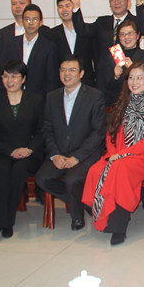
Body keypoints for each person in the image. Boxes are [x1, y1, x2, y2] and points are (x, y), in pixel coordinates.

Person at [82, 61, 144, 245]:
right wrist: (114, 153)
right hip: (119, 153)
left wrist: (123, 154)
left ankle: (118, 226)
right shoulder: (122, 102)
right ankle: (104, 215)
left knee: (119, 170)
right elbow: (111, 133)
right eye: (131, 78)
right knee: (95, 170)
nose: (134, 82)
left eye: (139, 78)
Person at [35, 55, 106, 231]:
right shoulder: (52, 97)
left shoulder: (94, 96)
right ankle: (82, 201)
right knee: (42, 179)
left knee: (72, 180)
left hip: (86, 154)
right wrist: (54, 155)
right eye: (63, 70)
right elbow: (47, 129)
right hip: (60, 152)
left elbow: (98, 132)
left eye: (72, 70)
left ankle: (77, 218)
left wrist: (77, 157)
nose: (67, 74)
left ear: (81, 73)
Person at [0, 60, 44, 245]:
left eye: (14, 76)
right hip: (5, 151)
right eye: (5, 76)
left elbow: (42, 131)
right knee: (1, 173)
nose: (9, 81)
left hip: (30, 152)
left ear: (23, 79)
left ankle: (7, 221)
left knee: (19, 171)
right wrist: (11, 151)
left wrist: (29, 149)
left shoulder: (35, 100)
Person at [70, 0, 144, 95]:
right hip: (104, 80)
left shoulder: (135, 21)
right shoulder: (102, 22)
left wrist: (139, 3)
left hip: (129, 80)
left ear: (129, 1)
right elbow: (82, 31)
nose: (116, 3)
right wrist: (76, 7)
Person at [0, 4, 60, 97]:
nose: (31, 23)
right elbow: (2, 70)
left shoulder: (49, 47)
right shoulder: (10, 44)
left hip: (38, 98)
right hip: (13, 96)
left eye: (35, 20)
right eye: (27, 19)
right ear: (22, 21)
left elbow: (52, 78)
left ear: (41, 22)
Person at [0, 0, 49, 83]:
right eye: (14, 4)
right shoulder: (4, 33)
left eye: (21, 3)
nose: (17, 6)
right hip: (12, 84)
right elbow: (0, 63)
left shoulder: (45, 31)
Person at [103, 19, 144, 107]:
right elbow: (106, 85)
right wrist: (115, 77)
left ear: (137, 35)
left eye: (130, 33)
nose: (126, 37)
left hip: (141, 105)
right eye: (122, 34)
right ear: (119, 37)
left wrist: (133, 68)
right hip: (117, 104)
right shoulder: (113, 56)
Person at [49, 0, 95, 87]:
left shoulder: (88, 30)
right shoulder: (51, 34)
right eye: (61, 6)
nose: (64, 9)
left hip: (87, 83)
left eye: (67, 6)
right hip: (61, 85)